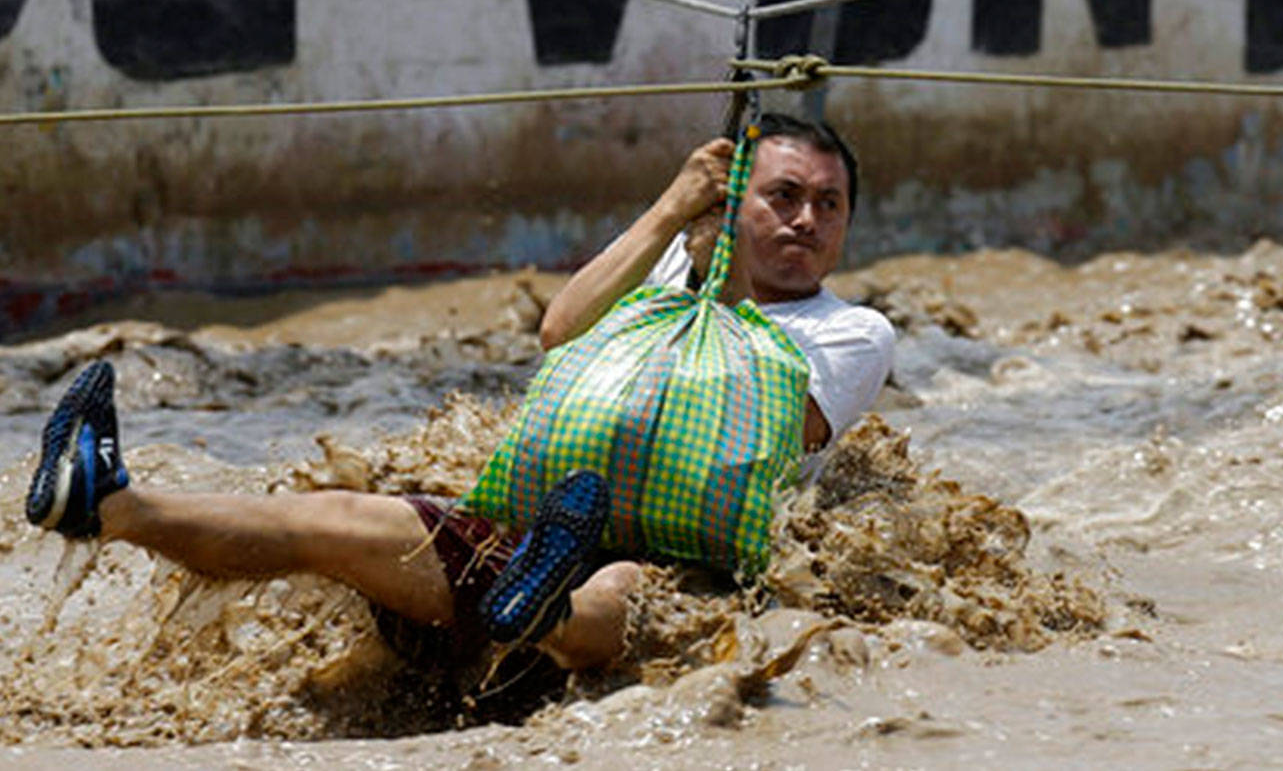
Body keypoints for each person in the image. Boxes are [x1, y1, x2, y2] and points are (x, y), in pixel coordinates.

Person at [23, 113, 894, 683]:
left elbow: (772, 416)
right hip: (526, 543)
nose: (806, 221)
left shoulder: (853, 333)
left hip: (677, 565)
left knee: (635, 583)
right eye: (782, 197)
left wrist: (726, 267)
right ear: (740, 200)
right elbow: (561, 331)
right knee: (338, 520)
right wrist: (673, 210)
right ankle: (109, 503)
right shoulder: (667, 270)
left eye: (829, 205)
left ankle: (549, 615)